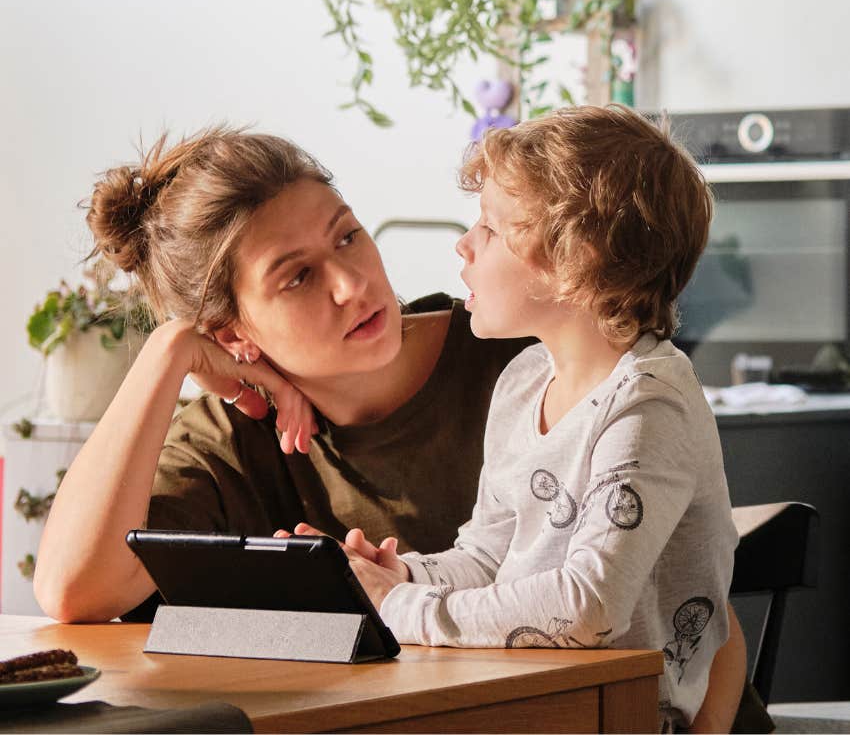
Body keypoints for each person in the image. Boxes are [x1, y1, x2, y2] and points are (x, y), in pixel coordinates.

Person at [33, 123, 760, 733]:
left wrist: (395, 602)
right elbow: (72, 593)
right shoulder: (232, 437)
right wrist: (166, 353)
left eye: (347, 237)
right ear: (233, 335)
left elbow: (684, 604)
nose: (352, 283)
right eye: (297, 277)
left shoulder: (537, 346)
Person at [295, 106, 740, 731]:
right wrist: (395, 574)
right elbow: (487, 556)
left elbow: (589, 608)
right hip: (526, 695)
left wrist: (399, 605)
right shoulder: (525, 378)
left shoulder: (648, 404)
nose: (464, 244)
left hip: (615, 715)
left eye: (491, 229)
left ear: (573, 261)